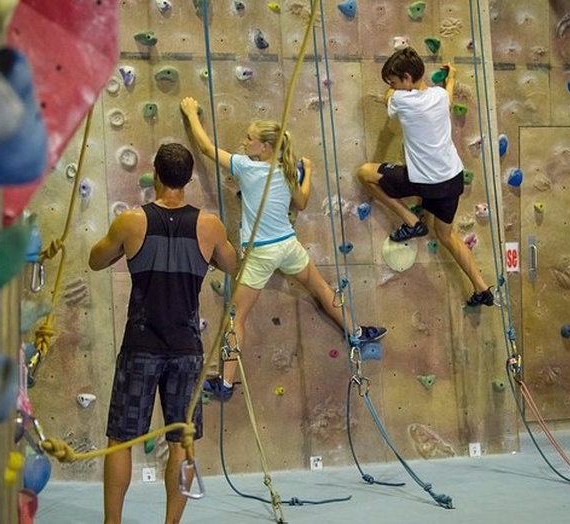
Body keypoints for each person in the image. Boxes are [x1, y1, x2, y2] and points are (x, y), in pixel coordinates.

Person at [180, 96, 387, 402]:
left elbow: (208, 150)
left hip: (262, 252)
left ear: (264, 147)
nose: (244, 141)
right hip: (288, 246)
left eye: (249, 138)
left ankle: (225, 384)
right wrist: (309, 172)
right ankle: (355, 332)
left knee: (235, 317)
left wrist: (190, 115)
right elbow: (300, 203)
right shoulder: (285, 169)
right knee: (321, 288)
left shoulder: (249, 168)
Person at [89, 143, 238, 524]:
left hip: (141, 344)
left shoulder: (131, 221)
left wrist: (124, 244)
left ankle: (112, 523)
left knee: (121, 439)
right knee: (181, 444)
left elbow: (96, 260)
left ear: (155, 174)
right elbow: (231, 264)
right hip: (186, 348)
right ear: (188, 179)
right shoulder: (209, 226)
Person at [356, 47, 494, 308]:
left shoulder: (400, 100)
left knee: (365, 173)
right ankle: (481, 287)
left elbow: (388, 98)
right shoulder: (440, 96)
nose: (393, 87)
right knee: (446, 235)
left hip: (424, 182)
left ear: (407, 78)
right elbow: (449, 94)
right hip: (452, 180)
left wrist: (391, 92)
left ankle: (411, 220)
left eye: (395, 82)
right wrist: (451, 76)